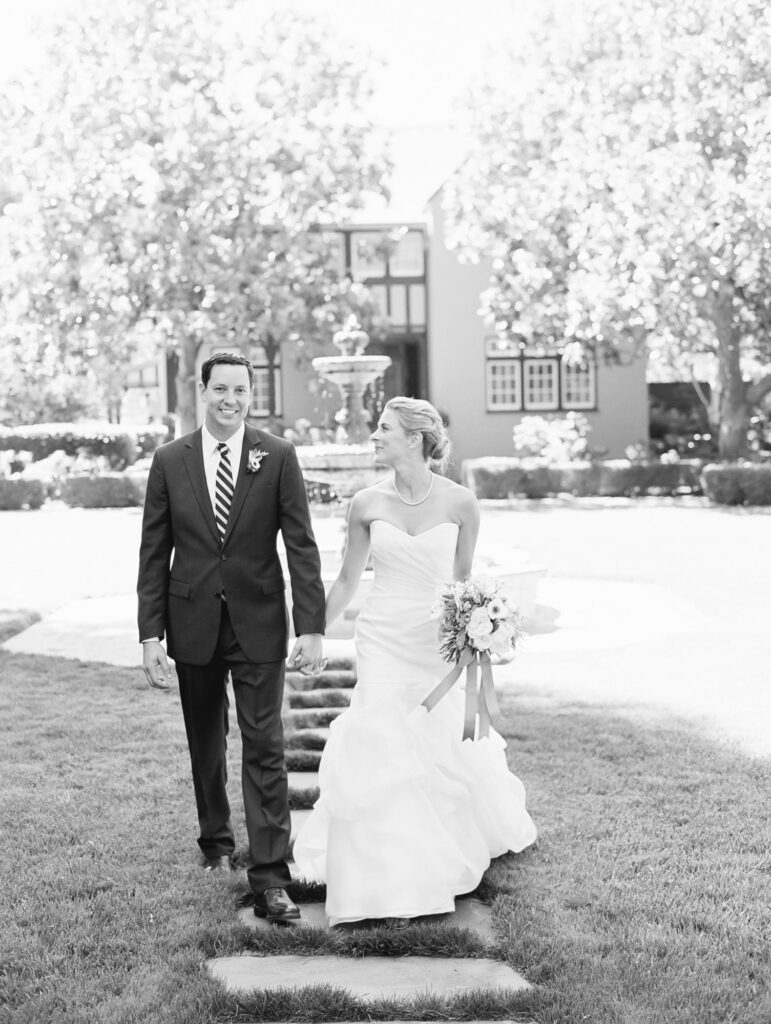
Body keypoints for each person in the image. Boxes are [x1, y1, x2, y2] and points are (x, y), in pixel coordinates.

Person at [293, 396, 536, 926]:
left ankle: (440, 845)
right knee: (379, 733)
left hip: (432, 640)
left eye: (384, 429)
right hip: (380, 636)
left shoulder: (461, 503)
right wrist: (311, 632)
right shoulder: (365, 504)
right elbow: (347, 581)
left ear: (416, 438)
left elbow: (462, 584)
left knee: (433, 738)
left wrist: (479, 629)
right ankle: (383, 866)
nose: (374, 436)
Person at [137, 351, 326, 924]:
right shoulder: (171, 460)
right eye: (221, 389)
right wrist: (150, 635)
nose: (231, 400)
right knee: (206, 742)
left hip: (259, 622)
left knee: (264, 745)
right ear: (203, 391)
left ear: (251, 393)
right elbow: (154, 551)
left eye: (241, 391)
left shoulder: (278, 456)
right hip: (191, 621)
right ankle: (215, 843)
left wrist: (312, 626)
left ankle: (270, 877)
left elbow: (301, 545)